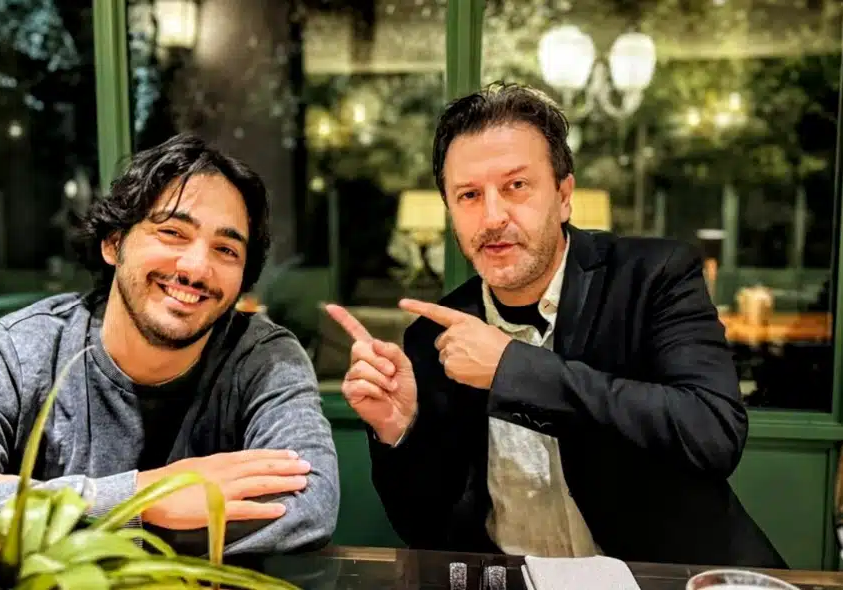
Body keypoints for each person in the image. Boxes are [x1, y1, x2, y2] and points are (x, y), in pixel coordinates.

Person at [326, 83, 785, 567]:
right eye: (469, 195)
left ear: (564, 196)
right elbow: (423, 525)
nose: (493, 217)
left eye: (516, 186)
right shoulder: (435, 334)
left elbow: (712, 433)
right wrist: (401, 432)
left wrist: (513, 370)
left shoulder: (653, 277)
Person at [0, 133, 339, 555]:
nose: (197, 268)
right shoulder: (15, 356)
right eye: (172, 233)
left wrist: (19, 501)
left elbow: (308, 506)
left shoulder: (263, 359)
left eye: (226, 250)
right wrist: (141, 498)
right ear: (113, 242)